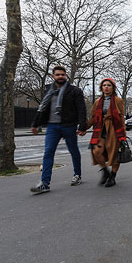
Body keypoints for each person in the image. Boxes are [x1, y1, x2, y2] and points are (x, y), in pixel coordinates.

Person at [30, 65, 87, 193]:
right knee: (48, 152)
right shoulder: (48, 90)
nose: (60, 76)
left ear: (66, 75)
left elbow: (81, 109)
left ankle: (77, 175)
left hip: (69, 125)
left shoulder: (74, 91)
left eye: (63, 74)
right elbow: (42, 108)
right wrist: (35, 124)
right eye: (58, 74)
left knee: (73, 150)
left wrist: (82, 126)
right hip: (52, 126)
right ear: (53, 76)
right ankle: (45, 183)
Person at [85, 78, 127, 187]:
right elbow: (93, 117)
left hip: (114, 129)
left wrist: (123, 135)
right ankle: (105, 171)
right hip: (100, 129)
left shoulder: (118, 100)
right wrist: (84, 128)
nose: (106, 87)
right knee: (96, 151)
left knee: (115, 154)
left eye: (109, 85)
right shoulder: (98, 102)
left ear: (113, 88)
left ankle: (112, 177)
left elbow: (121, 118)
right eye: (104, 85)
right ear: (101, 87)